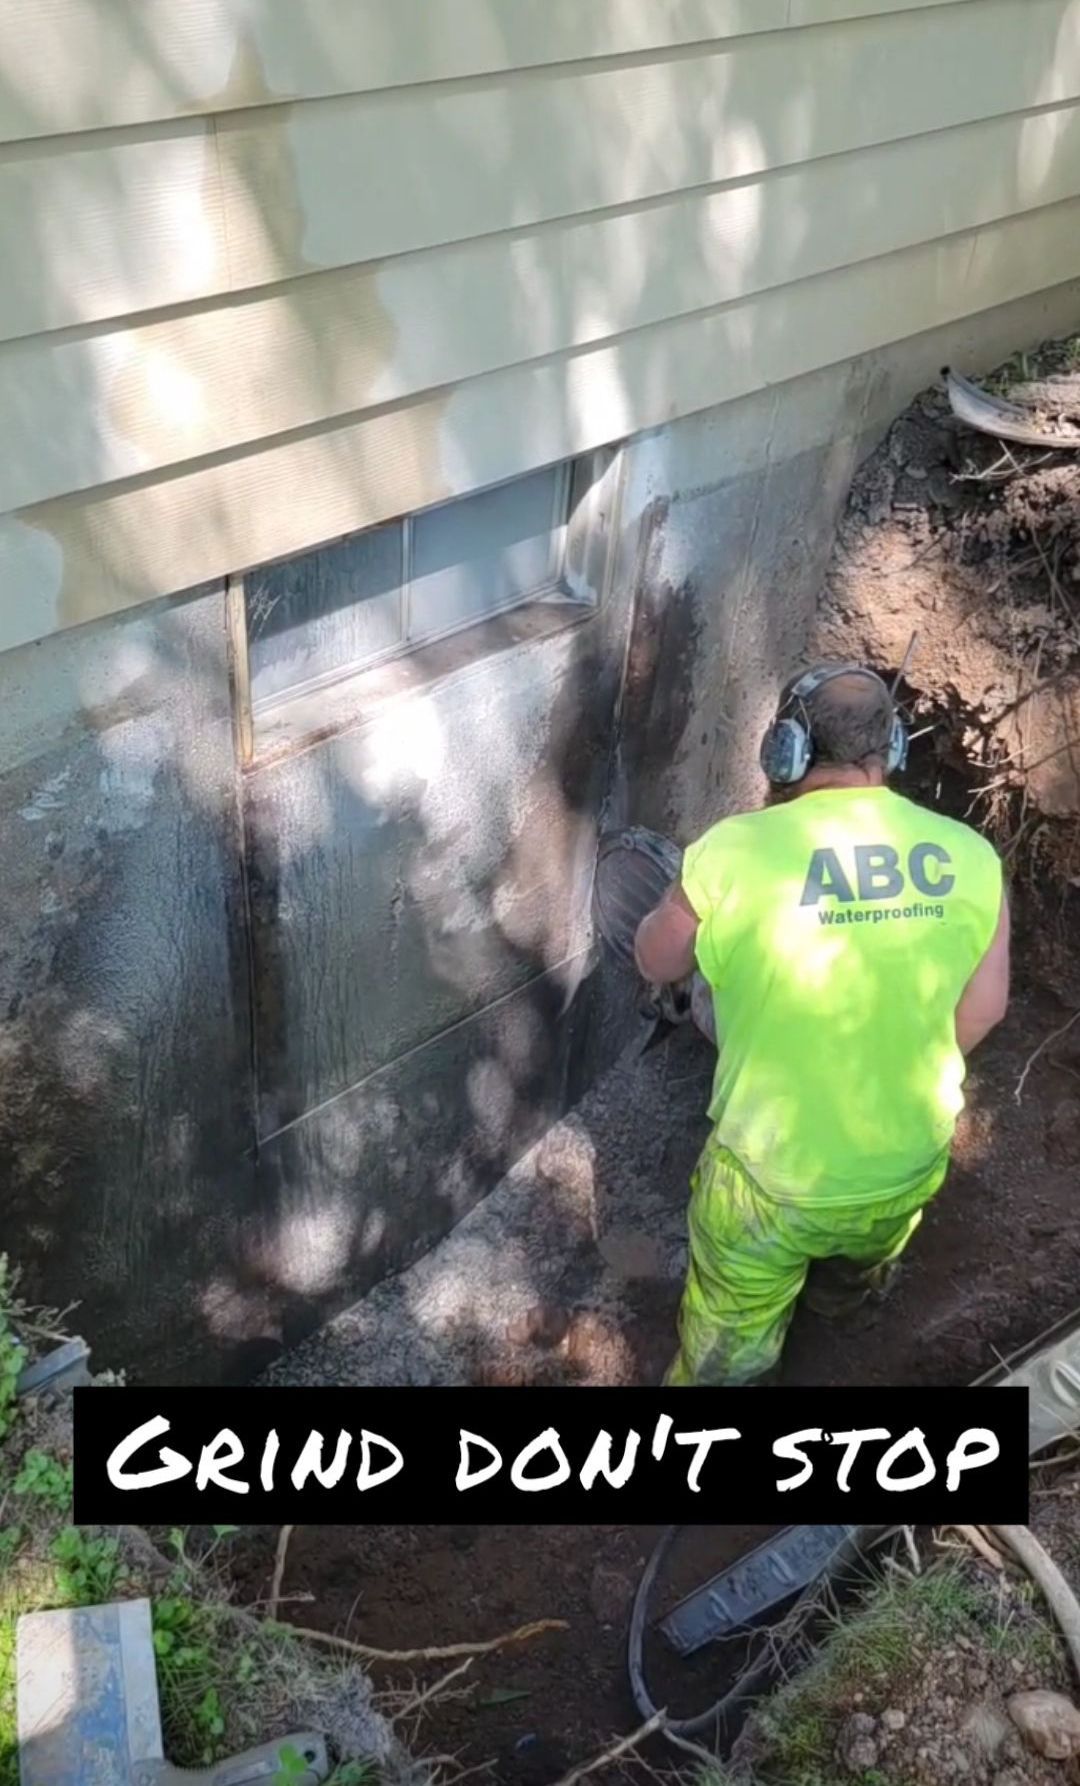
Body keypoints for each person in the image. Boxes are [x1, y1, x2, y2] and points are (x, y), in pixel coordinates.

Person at [633, 662, 1010, 1386]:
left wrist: (671, 913)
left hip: (768, 1182)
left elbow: (657, 959)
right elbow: (985, 1009)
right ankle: (840, 1307)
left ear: (786, 750)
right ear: (891, 747)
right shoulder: (973, 857)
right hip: (905, 1164)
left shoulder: (732, 850)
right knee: (858, 1258)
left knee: (730, 1339)